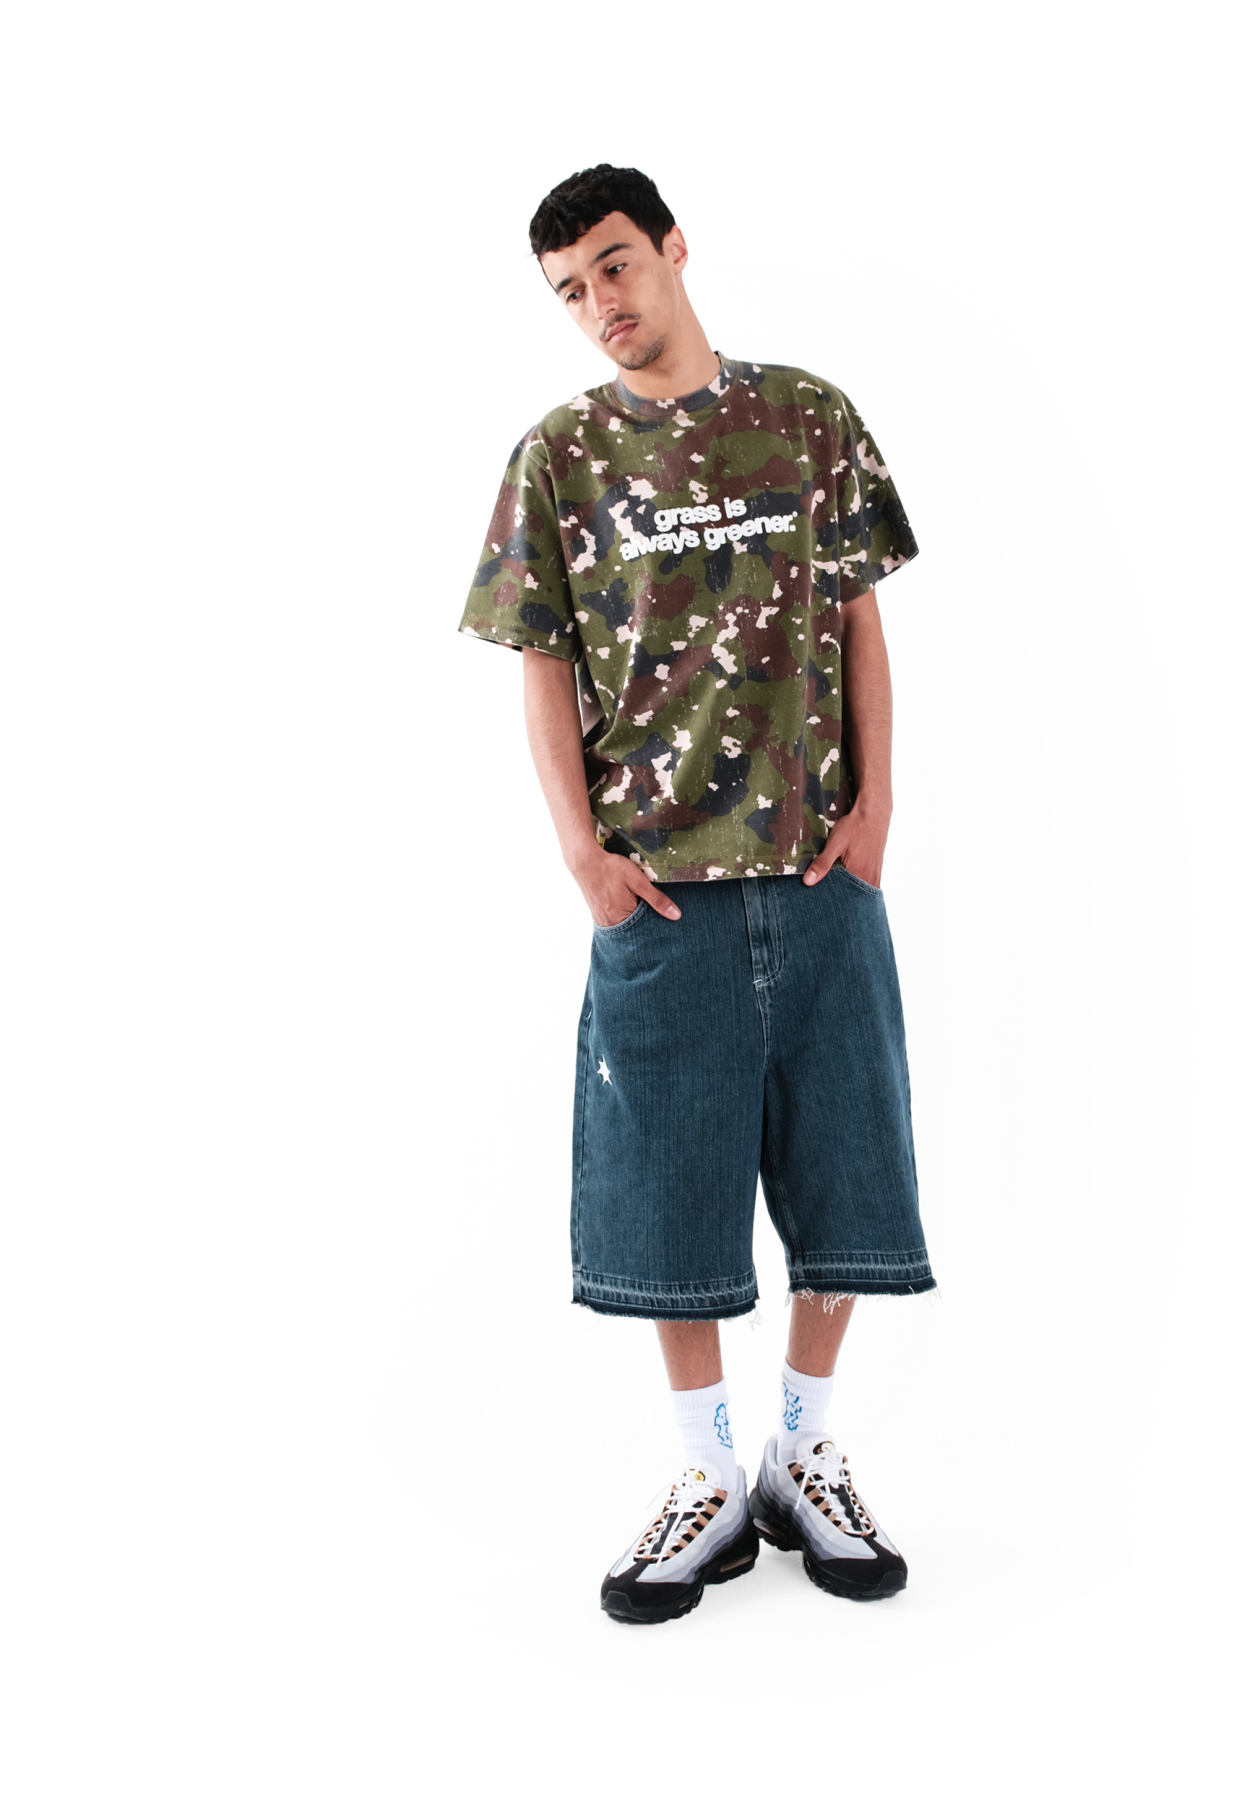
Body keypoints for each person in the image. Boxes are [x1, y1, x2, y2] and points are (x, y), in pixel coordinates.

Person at [460, 164, 935, 1623]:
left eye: (614, 265)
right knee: (665, 1190)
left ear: (672, 248)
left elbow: (859, 617)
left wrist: (877, 809)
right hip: (659, 897)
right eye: (569, 290)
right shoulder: (559, 457)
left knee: (847, 1171)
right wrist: (581, 857)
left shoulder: (807, 418)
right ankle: (707, 1471)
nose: (599, 304)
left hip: (819, 872)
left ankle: (804, 1448)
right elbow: (542, 665)